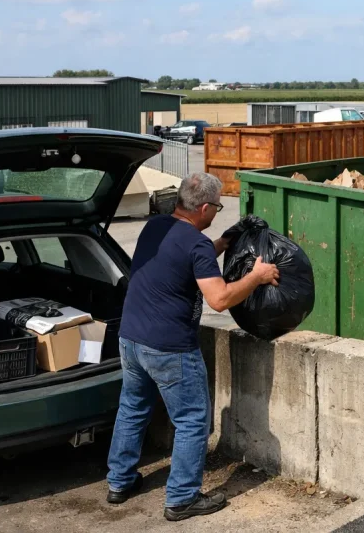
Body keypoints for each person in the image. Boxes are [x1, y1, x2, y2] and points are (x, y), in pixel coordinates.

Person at [106, 172, 280, 522]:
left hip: (131, 338)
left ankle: (119, 482)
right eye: (216, 206)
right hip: (169, 348)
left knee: (132, 408)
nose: (217, 211)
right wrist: (256, 277)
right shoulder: (196, 244)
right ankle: (182, 498)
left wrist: (221, 242)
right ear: (203, 207)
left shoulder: (155, 227)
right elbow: (218, 299)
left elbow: (181, 257)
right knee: (191, 420)